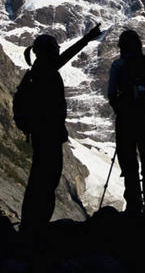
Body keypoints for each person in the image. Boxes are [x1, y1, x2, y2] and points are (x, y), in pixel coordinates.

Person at [18, 24, 101, 236]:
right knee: (47, 179)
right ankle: (36, 226)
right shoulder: (45, 70)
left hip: (41, 135)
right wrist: (87, 39)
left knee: (40, 178)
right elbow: (64, 58)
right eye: (53, 48)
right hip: (49, 135)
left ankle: (32, 224)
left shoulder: (35, 73)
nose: (56, 51)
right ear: (48, 51)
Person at [107, 29, 145, 214]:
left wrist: (123, 107)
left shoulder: (118, 66)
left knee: (128, 161)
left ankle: (133, 206)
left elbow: (111, 94)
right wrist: (144, 106)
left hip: (125, 120)